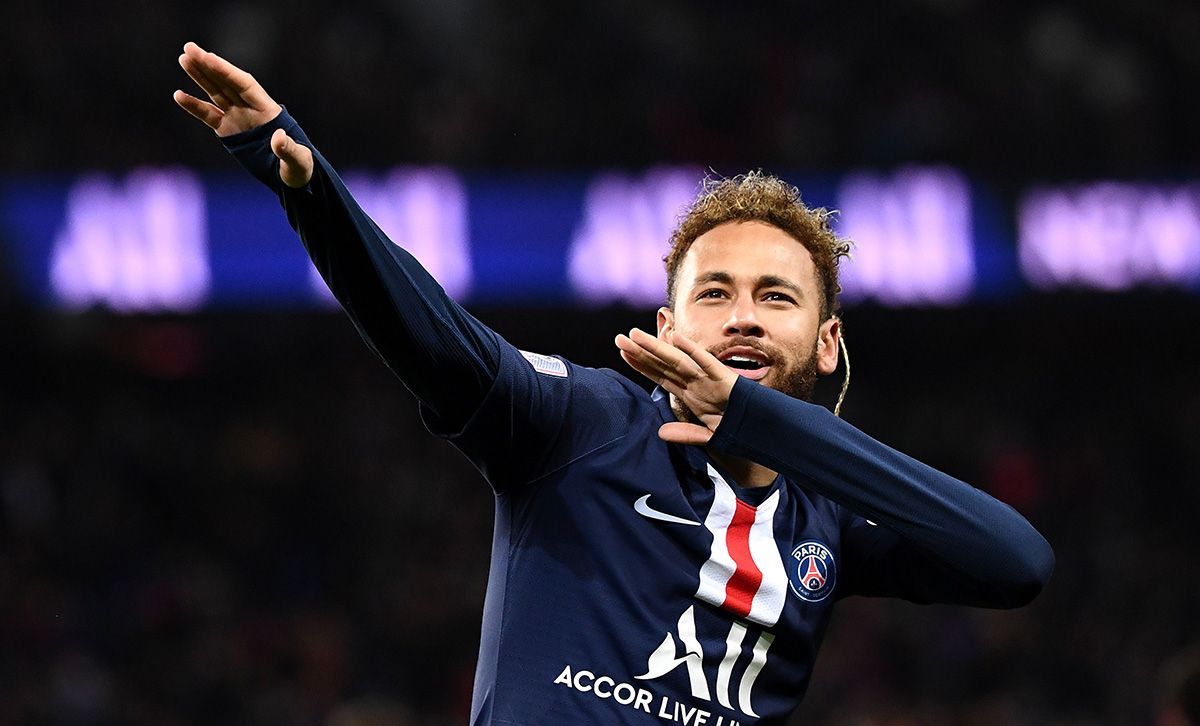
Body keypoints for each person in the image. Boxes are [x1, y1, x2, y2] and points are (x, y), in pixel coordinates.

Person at [174, 41, 1054, 725]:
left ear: (827, 343)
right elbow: (437, 341)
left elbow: (1016, 562)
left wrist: (757, 422)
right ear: (669, 329)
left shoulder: (825, 514)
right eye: (714, 294)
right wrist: (313, 192)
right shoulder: (579, 422)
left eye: (774, 297)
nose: (742, 318)